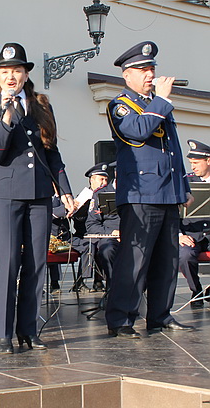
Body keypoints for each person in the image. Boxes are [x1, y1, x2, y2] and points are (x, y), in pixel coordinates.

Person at [0, 43, 74, 353]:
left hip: (39, 195)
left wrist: (65, 187)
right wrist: (6, 117)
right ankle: (3, 333)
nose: (11, 76)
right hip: (6, 197)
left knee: (36, 265)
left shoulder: (40, 106)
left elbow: (51, 150)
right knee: (7, 265)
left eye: (16, 70)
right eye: (5, 72)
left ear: (25, 74)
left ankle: (28, 330)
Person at [104, 41, 194, 339]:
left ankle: (160, 315)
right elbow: (137, 132)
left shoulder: (158, 105)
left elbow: (173, 150)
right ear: (126, 75)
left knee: (167, 259)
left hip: (167, 192)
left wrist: (182, 185)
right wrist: (162, 102)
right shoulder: (120, 105)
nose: (149, 74)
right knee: (134, 260)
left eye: (152, 68)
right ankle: (121, 318)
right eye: (142, 69)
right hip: (141, 193)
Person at [179, 139, 210, 308]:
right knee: (184, 255)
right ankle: (196, 290)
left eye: (196, 163)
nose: (193, 167)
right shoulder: (186, 183)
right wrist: (179, 235)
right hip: (191, 235)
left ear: (209, 161)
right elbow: (172, 215)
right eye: (191, 163)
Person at [71, 162, 110, 292]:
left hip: (101, 232)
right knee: (90, 244)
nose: (103, 182)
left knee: (103, 244)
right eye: (101, 179)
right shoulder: (83, 197)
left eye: (105, 179)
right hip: (84, 233)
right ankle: (81, 280)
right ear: (92, 180)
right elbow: (76, 219)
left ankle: (99, 280)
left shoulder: (108, 196)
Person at [86, 170, 119, 290]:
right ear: (116, 173)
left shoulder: (137, 191)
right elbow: (91, 224)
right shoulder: (100, 193)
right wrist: (112, 233)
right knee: (107, 250)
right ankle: (113, 289)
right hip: (111, 236)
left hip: (133, 235)